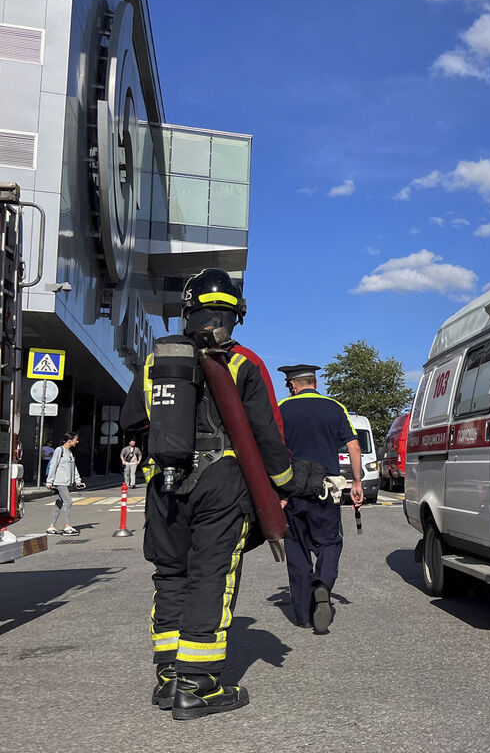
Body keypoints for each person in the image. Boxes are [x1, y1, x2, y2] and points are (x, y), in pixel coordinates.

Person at [120, 268, 296, 720]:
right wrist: (283, 487)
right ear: (236, 315)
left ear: (188, 312)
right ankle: (198, 686)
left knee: (171, 575)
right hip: (221, 480)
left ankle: (167, 678)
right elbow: (268, 436)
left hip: (164, 481)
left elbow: (134, 423)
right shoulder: (244, 363)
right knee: (211, 575)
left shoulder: (156, 363)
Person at [277, 364, 363, 634]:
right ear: (315, 382)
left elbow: (271, 449)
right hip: (325, 490)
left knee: (297, 549)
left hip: (291, 492)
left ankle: (303, 615)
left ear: (292, 385)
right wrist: (357, 482)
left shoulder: (281, 408)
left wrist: (275, 493)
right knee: (329, 543)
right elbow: (354, 445)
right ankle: (323, 585)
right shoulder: (335, 407)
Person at [45, 432, 85, 535]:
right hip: (59, 482)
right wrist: (49, 481)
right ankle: (68, 527)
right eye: (76, 439)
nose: (77, 441)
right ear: (69, 440)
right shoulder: (59, 450)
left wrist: (78, 480)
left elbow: (73, 467)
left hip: (66, 482)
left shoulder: (69, 452)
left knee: (59, 503)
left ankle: (51, 527)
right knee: (68, 502)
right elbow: (53, 465)